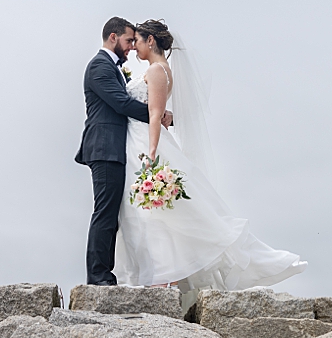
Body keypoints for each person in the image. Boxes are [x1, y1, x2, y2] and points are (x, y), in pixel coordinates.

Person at [113, 19, 307, 296]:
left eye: (139, 41)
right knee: (151, 213)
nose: (135, 48)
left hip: (144, 141)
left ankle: (160, 277)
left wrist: (152, 152)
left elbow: (155, 114)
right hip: (138, 139)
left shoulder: (156, 70)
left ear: (151, 41)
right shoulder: (162, 70)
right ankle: (155, 274)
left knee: (152, 214)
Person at [75, 17, 172, 285]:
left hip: (117, 147)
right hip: (105, 147)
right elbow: (120, 103)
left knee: (113, 213)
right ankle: (98, 276)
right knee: (105, 212)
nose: (131, 47)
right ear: (114, 37)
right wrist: (157, 113)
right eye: (129, 40)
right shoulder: (99, 65)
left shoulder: (112, 67)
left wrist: (159, 112)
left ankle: (105, 273)